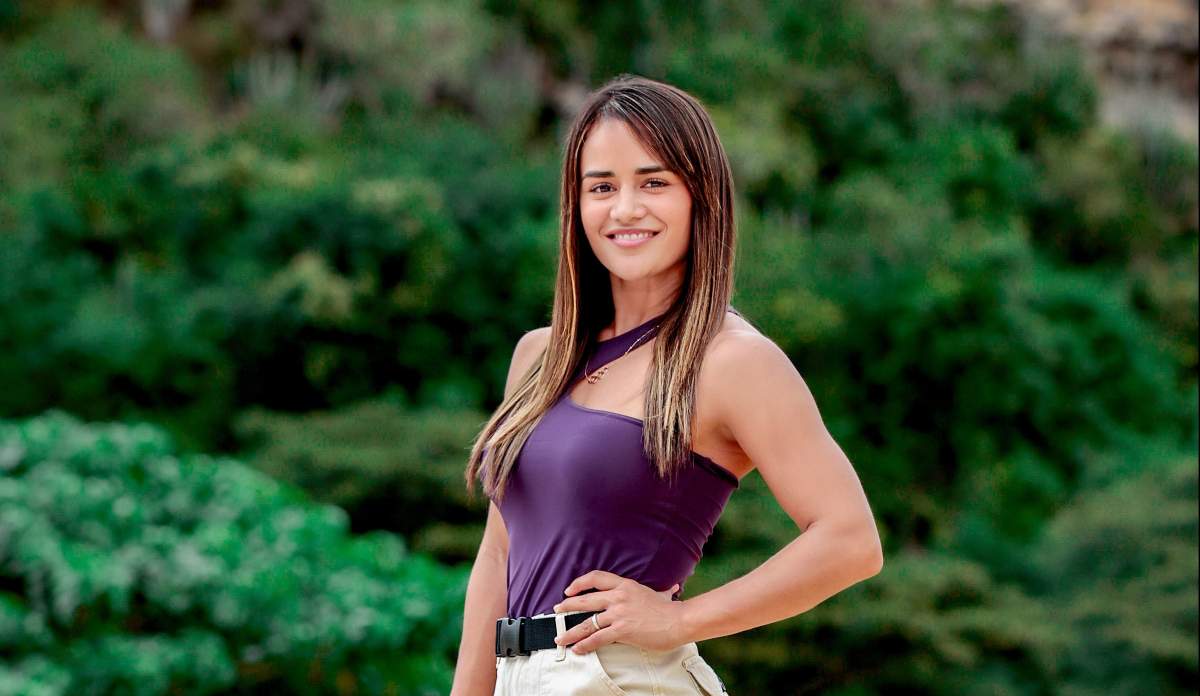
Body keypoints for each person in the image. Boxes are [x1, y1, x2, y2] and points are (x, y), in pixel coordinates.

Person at [450, 74, 883, 696]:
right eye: (602, 187)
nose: (625, 209)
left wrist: (681, 620)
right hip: (522, 676)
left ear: (700, 198)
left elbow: (850, 540)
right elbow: (498, 555)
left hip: (620, 677)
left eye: (653, 183)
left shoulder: (732, 362)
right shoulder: (538, 357)